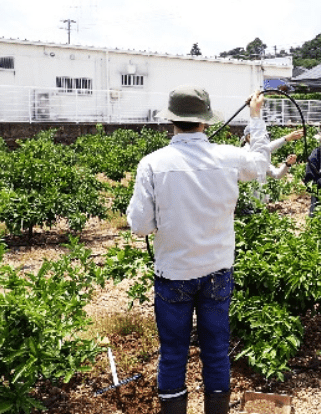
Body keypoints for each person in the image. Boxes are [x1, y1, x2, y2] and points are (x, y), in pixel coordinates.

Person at [126, 86, 270, 414]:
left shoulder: (152, 164)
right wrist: (256, 116)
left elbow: (140, 226)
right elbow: (260, 164)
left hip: (173, 275)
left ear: (173, 121)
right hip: (217, 272)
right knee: (216, 350)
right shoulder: (228, 157)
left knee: (174, 354)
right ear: (205, 121)